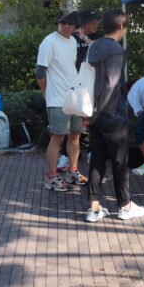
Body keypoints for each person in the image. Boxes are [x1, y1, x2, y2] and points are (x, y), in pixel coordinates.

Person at [84, 9, 144, 222]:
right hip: (112, 114)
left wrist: (91, 113)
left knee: (97, 160)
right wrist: (99, 110)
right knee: (120, 162)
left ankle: (94, 209)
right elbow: (111, 84)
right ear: (121, 27)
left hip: (92, 112)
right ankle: (125, 206)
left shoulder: (94, 46)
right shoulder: (117, 50)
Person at [36, 11, 88, 192]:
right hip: (57, 98)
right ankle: (51, 177)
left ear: (75, 26)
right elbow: (40, 71)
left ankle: (72, 171)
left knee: (75, 135)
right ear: (57, 23)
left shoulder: (73, 41)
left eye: (70, 23)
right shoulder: (49, 42)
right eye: (63, 23)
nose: (66, 26)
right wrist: (46, 92)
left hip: (74, 96)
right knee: (57, 137)